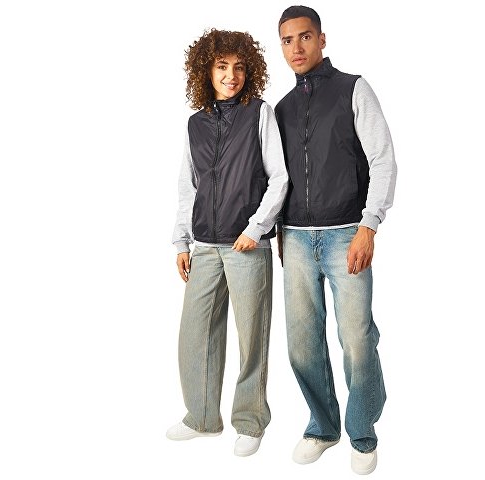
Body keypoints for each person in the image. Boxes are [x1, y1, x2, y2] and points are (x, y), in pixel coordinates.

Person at [274, 6, 397, 475]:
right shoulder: (281, 109)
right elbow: (277, 179)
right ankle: (322, 427)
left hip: (347, 232)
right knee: (302, 345)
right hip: (295, 238)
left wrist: (369, 224)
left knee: (357, 339)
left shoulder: (353, 89)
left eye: (305, 37)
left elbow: (382, 159)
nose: (297, 47)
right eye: (288, 40)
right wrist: (278, 232)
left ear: (322, 39)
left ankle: (362, 431)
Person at [166, 29, 288, 458]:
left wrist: (256, 228)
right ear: (207, 70)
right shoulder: (195, 124)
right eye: (222, 67)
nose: (231, 76)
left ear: (248, 70)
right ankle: (201, 417)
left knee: (252, 338)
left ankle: (250, 422)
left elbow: (279, 177)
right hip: (204, 244)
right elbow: (189, 186)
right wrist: (181, 241)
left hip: (246, 245)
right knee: (195, 334)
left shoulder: (260, 113)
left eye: (238, 67)